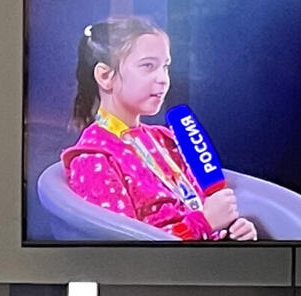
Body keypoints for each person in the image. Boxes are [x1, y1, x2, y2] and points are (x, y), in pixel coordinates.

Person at [59, 16, 259, 242]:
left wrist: (230, 231)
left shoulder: (165, 139)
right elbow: (124, 251)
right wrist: (204, 223)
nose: (163, 79)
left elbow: (200, 205)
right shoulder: (94, 159)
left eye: (165, 67)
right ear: (105, 76)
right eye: (148, 66)